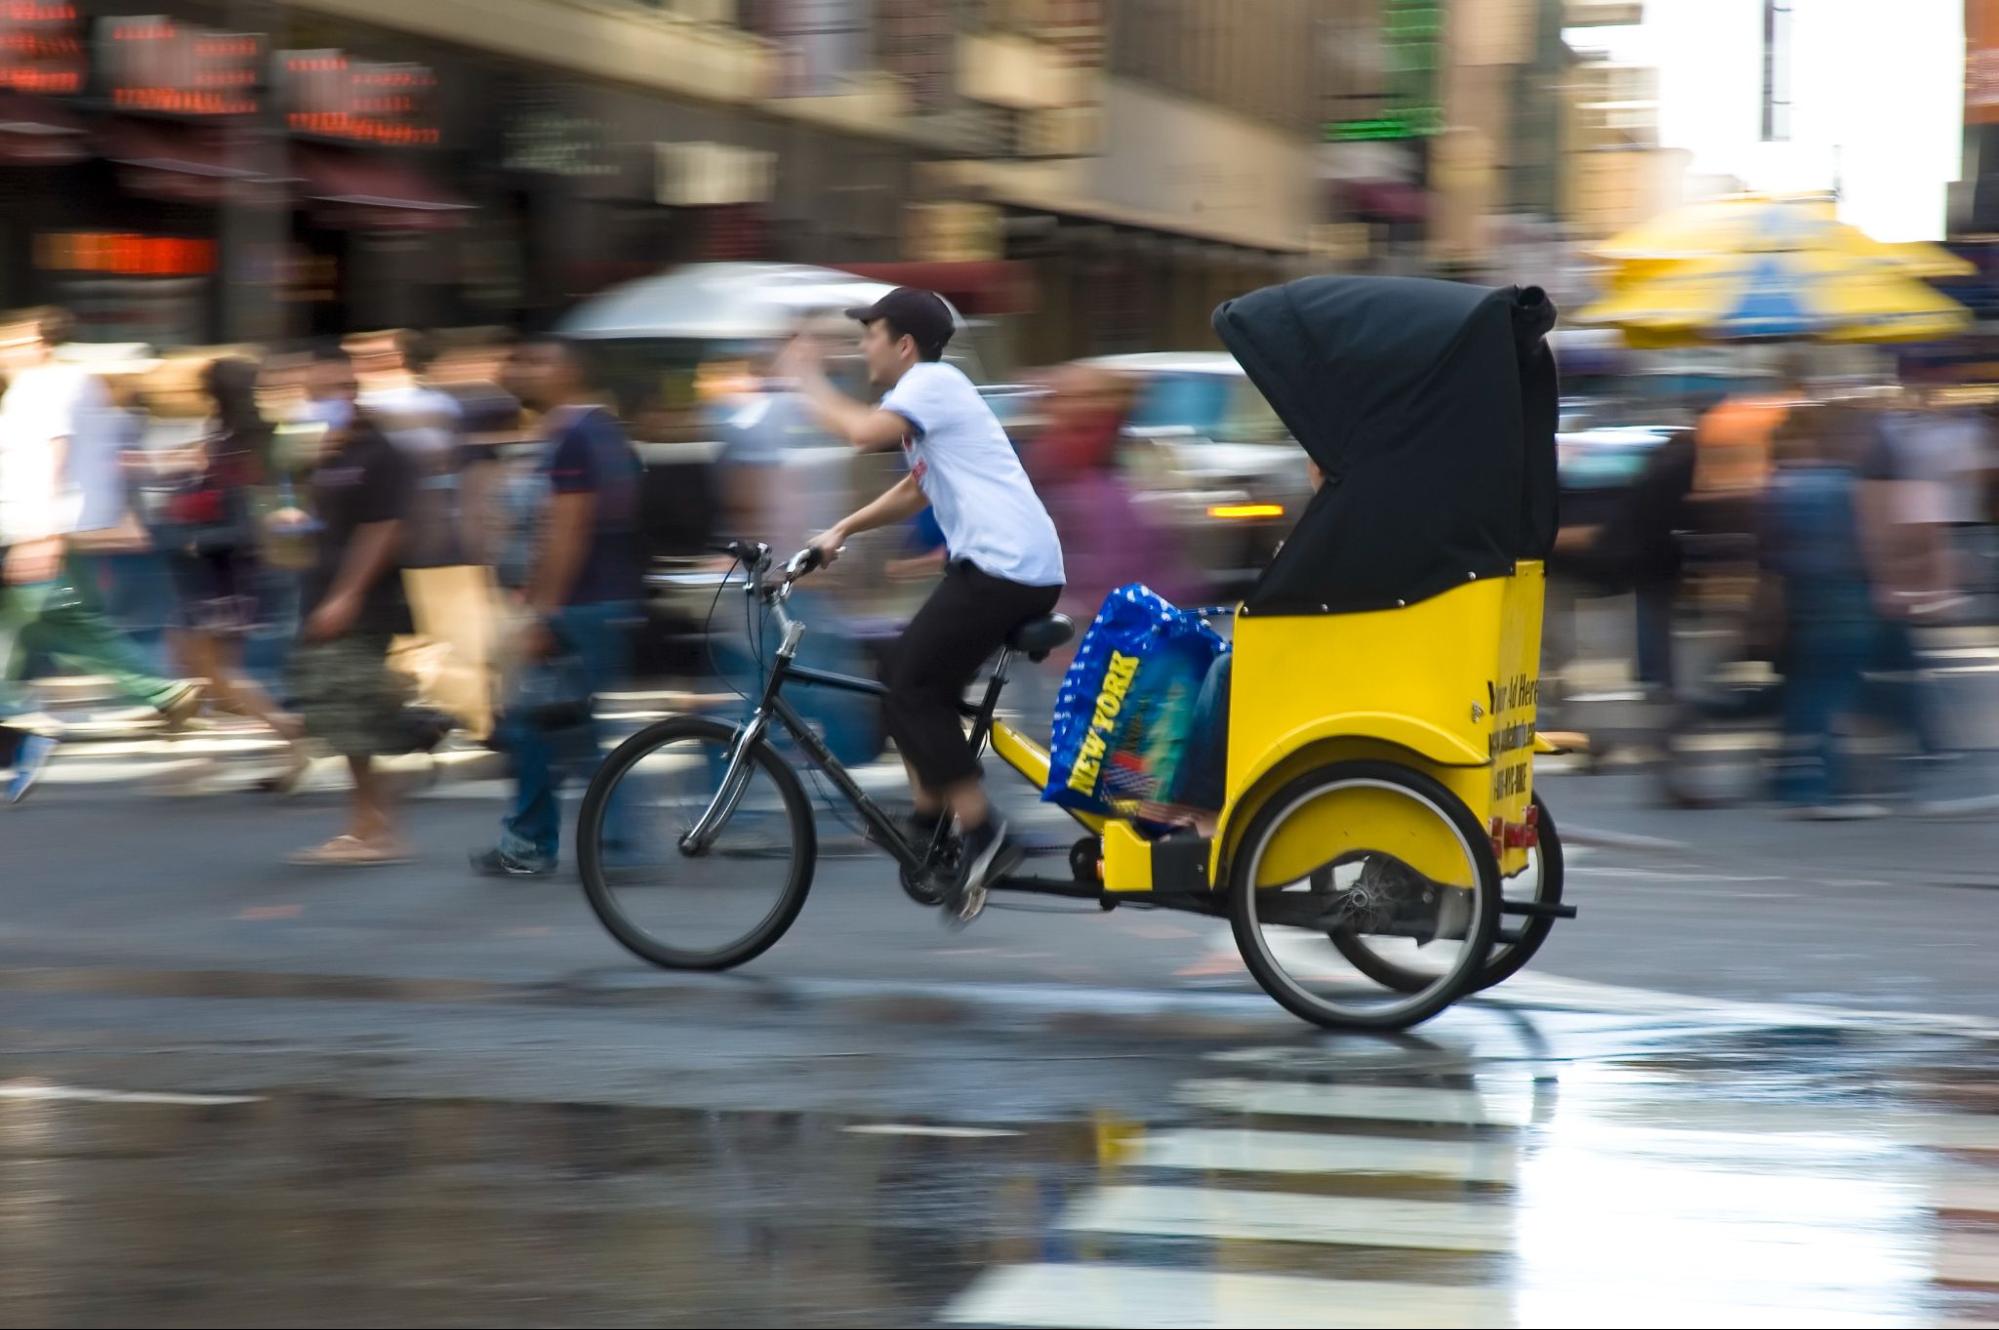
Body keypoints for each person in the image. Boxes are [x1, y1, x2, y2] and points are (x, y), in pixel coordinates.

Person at [777, 288, 1065, 924]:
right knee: (904, 677)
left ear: (903, 345)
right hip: (1009, 569)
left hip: (1002, 569)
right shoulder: (933, 395)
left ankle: (984, 832)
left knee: (908, 689)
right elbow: (917, 488)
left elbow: (859, 434)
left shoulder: (933, 382)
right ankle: (931, 823)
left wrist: (804, 378)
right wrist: (842, 531)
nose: (862, 346)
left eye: (869, 334)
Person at [0, 307, 199, 803]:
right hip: (47, 529)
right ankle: (160, 691)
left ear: (40, 345)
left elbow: (53, 455)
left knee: (57, 622)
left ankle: (19, 735)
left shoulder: (39, 389)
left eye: (12, 343)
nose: (4, 352)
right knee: (67, 621)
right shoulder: (69, 386)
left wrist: (38, 533)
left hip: (35, 529)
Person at [471, 336, 643, 878]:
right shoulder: (604, 431)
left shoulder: (573, 437)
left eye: (537, 360)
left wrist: (543, 613)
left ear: (570, 371)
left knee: (539, 724)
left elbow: (567, 531)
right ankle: (608, 843)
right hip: (605, 599)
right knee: (567, 726)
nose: (524, 369)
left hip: (577, 605)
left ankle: (542, 843)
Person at [286, 352, 417, 865]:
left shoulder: (380, 451)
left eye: (340, 387)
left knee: (350, 712)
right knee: (343, 710)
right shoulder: (324, 449)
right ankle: (372, 819)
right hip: (320, 588)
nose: (330, 397)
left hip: (364, 599)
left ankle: (373, 828)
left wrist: (349, 594)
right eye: (319, 389)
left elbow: (385, 527)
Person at [160, 356, 311, 789]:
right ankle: (282, 742)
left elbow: (248, 520)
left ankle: (290, 733)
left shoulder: (243, 444)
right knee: (198, 665)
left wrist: (197, 537)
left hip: (223, 573)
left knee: (214, 671)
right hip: (224, 572)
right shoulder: (243, 437)